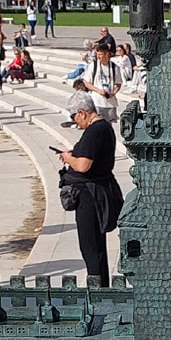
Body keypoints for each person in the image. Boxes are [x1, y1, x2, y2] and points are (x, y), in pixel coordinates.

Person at [58, 92, 123, 288]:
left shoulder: (96, 130)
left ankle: (98, 289)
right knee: (95, 246)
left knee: (91, 246)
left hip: (91, 196)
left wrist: (69, 159)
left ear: (82, 113)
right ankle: (101, 287)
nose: (75, 122)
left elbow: (84, 165)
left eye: (74, 117)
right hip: (95, 191)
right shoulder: (102, 128)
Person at [84, 43, 121, 122]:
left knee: (109, 126)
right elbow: (87, 83)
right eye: (97, 54)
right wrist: (98, 91)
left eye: (100, 54)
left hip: (110, 103)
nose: (98, 57)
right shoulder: (93, 66)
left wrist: (113, 93)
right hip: (97, 101)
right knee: (98, 123)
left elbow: (118, 84)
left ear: (107, 54)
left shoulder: (115, 67)